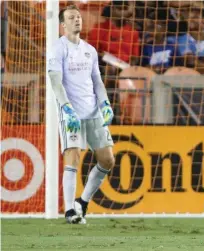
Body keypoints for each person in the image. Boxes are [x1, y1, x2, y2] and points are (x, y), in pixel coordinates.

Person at [47, 5, 115, 224]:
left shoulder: (90, 50)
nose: (77, 20)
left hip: (93, 111)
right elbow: (56, 81)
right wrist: (66, 107)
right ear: (62, 24)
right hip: (72, 113)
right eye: (71, 17)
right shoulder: (58, 48)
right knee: (73, 156)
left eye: (78, 17)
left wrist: (104, 103)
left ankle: (82, 202)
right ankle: (69, 211)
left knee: (108, 159)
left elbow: (97, 82)